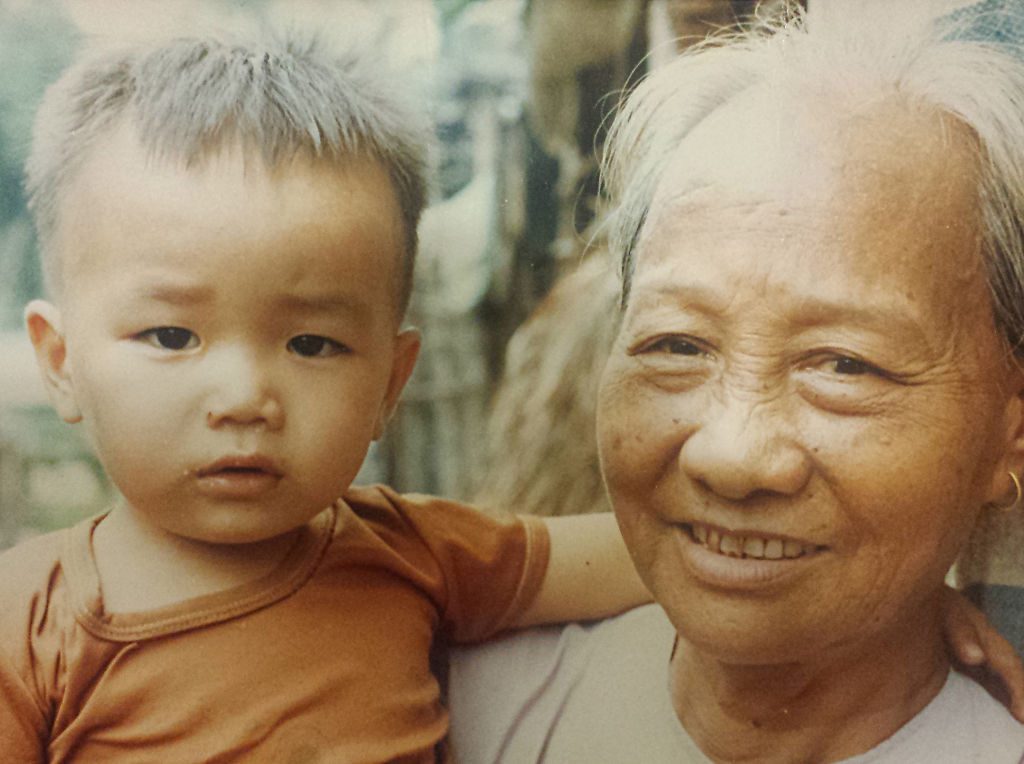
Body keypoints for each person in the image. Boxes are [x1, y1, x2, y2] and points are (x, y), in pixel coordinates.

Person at [0, 31, 654, 762]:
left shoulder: (411, 552)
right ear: (61, 363)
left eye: (311, 344)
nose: (244, 399)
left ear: (389, 384)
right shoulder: (28, 621)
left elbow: (653, 553)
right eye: (171, 336)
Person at [449, 2, 1024, 761]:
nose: (731, 454)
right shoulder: (439, 712)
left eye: (844, 364)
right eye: (677, 344)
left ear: (1009, 435)